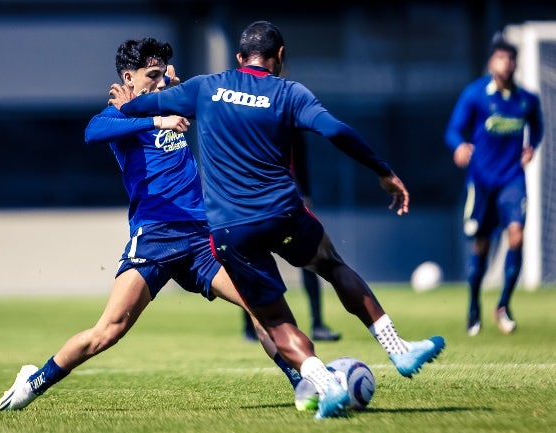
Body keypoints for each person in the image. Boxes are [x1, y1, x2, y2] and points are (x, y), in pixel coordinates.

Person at [117, 21, 445, 418]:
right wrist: (383, 171)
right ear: (281, 57)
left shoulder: (204, 87)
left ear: (239, 58)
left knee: (274, 319)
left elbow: (136, 108)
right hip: (283, 211)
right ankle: (398, 348)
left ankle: (326, 388)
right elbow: (335, 130)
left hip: (230, 230)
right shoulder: (290, 92)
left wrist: (136, 100)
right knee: (331, 265)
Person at [0, 37, 303, 413]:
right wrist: (157, 118)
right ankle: (33, 382)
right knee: (108, 332)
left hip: (199, 237)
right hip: (155, 237)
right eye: (151, 75)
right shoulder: (123, 114)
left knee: (260, 306)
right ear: (129, 76)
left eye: (161, 74)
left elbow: (216, 103)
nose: (158, 82)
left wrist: (174, 86)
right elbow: (92, 131)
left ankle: (303, 383)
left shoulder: (169, 97)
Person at [444, 33, 543, 336]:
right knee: (482, 246)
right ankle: (473, 306)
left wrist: (531, 147)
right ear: (492, 62)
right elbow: (453, 130)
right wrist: (459, 146)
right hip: (482, 182)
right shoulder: (475, 95)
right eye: (501, 57)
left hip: (513, 180)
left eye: (511, 58)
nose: (507, 63)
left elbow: (537, 129)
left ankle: (502, 305)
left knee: (516, 236)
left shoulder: (527, 99)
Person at [243, 132, 341, 343]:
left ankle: (318, 323)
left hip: (288, 198)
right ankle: (252, 327)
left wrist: (305, 195)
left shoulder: (287, 116)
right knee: (252, 259)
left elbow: (300, 157)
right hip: (254, 200)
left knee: (311, 255)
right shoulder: (246, 116)